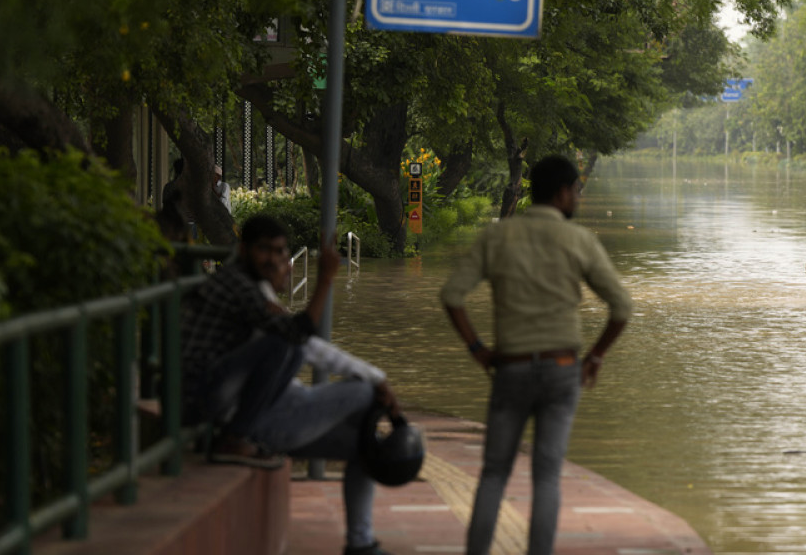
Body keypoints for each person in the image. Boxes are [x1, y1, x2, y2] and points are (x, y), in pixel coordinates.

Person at [440, 155, 632, 555]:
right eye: (576, 190)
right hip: (563, 371)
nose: (578, 198)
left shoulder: (497, 236)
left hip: (509, 369)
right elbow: (622, 307)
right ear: (562, 192)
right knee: (547, 477)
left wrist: (477, 349)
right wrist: (595, 356)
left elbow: (452, 295)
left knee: (494, 474)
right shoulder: (579, 240)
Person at [180, 215, 397, 555]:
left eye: (281, 253)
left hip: (245, 404)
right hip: (217, 406)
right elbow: (301, 338)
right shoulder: (241, 287)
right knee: (362, 391)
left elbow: (299, 339)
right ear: (244, 250)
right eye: (265, 251)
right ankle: (236, 438)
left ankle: (361, 544)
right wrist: (325, 279)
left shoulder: (257, 290)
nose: (276, 261)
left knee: (365, 444)